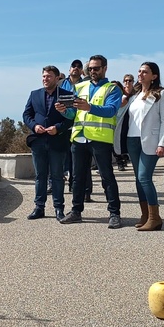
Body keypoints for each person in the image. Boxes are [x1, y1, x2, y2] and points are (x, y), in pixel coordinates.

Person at [56, 55, 124, 228]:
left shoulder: (112, 89)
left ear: (105, 68)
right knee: (77, 177)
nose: (93, 71)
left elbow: (110, 111)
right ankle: (76, 211)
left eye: (96, 68)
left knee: (106, 176)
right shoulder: (80, 87)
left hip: (100, 138)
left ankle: (114, 213)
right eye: (91, 69)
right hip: (79, 137)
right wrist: (64, 111)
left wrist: (90, 107)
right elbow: (74, 114)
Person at [115, 62, 164, 231]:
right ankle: (145, 214)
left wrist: (163, 143)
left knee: (144, 177)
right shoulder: (135, 95)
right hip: (132, 140)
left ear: (154, 76)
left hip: (150, 141)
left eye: (145, 72)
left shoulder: (162, 93)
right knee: (138, 180)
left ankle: (155, 217)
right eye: (139, 71)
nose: (140, 74)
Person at [23, 66, 74, 222]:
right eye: (44, 76)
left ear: (57, 78)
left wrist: (58, 128)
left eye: (49, 76)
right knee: (40, 176)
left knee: (57, 176)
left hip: (57, 141)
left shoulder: (66, 95)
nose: (45, 79)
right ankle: (39, 207)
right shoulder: (35, 94)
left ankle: (59, 209)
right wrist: (34, 126)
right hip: (38, 141)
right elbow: (26, 114)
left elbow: (71, 118)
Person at [60, 60, 86, 193]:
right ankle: (53, 184)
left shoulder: (86, 85)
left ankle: (75, 186)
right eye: (73, 66)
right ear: (69, 69)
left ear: (82, 70)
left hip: (79, 125)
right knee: (59, 156)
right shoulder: (61, 83)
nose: (76, 68)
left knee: (75, 159)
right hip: (62, 124)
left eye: (79, 67)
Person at [114, 74, 136, 171]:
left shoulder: (136, 94)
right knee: (117, 140)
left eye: (130, 80)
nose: (127, 82)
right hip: (120, 119)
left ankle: (125, 157)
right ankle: (120, 161)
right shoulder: (121, 93)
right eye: (126, 80)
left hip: (131, 120)